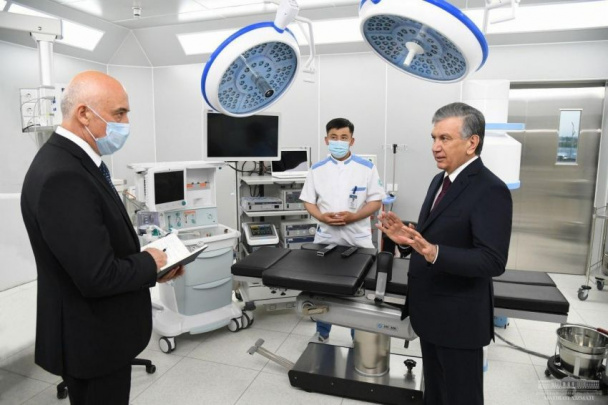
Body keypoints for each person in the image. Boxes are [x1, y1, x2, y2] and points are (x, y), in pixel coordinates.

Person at [20, 71, 183, 405]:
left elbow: (95, 252)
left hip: (100, 332)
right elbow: (97, 276)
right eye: (119, 114)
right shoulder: (63, 176)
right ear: (84, 113)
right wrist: (149, 263)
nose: (126, 123)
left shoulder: (78, 163)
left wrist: (154, 269)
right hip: (92, 339)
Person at [376, 102, 512, 405]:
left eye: (445, 139)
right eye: (434, 138)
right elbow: (432, 238)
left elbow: (492, 260)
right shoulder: (440, 180)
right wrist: (407, 240)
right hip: (430, 312)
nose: (435, 147)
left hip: (459, 320)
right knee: (435, 394)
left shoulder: (490, 189)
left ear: (472, 142)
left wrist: (434, 252)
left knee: (461, 398)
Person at [299, 118, 385, 342]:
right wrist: (321, 217)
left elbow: (376, 201)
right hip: (326, 237)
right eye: (334, 137)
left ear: (352, 141)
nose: (338, 141)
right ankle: (322, 333)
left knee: (359, 292)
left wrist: (354, 216)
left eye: (344, 138)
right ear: (326, 140)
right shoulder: (317, 169)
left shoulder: (366, 168)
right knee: (323, 289)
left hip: (358, 238)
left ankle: (358, 336)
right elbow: (308, 201)